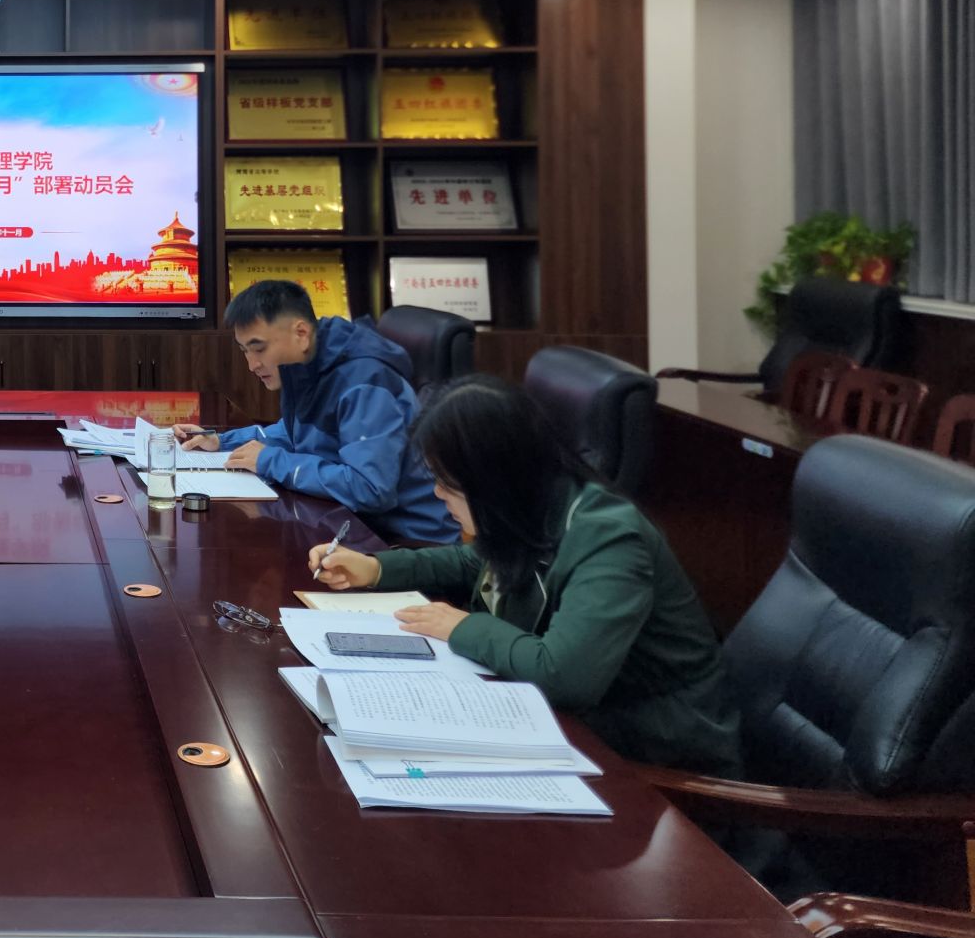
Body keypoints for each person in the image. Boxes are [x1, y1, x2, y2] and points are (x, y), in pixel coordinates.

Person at [309, 374, 742, 775]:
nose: (437, 493)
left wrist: (463, 627)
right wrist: (377, 568)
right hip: (580, 727)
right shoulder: (535, 504)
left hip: (658, 752)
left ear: (492, 478)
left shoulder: (610, 538)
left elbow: (563, 676)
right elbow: (476, 562)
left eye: (447, 482)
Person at [177, 280, 455, 544]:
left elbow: (370, 489)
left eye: (259, 349)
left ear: (301, 333)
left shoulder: (364, 380)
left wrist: (271, 461)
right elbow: (295, 432)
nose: (252, 365)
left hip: (402, 540)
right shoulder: (309, 361)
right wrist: (222, 442)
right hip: (348, 521)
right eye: (244, 351)